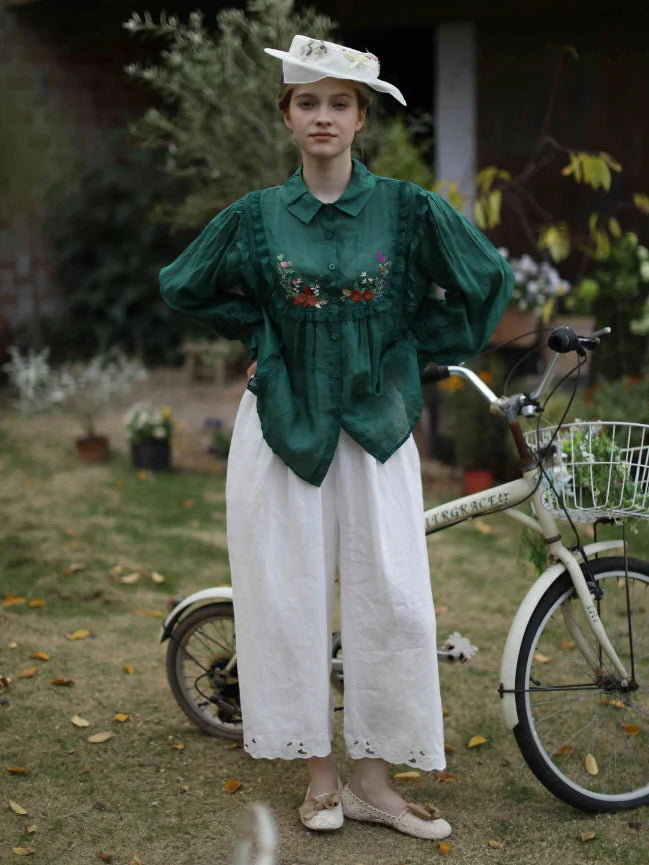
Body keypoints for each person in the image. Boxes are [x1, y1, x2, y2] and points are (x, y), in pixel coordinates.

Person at [160, 34, 513, 840]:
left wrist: (415, 345)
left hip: (376, 430)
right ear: (288, 116)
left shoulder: (406, 208)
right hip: (283, 426)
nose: (323, 116)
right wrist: (260, 326)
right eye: (307, 101)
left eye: (339, 103)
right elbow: (182, 284)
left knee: (394, 602)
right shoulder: (256, 216)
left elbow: (485, 279)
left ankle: (373, 781)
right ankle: (319, 779)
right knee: (287, 598)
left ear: (360, 118)